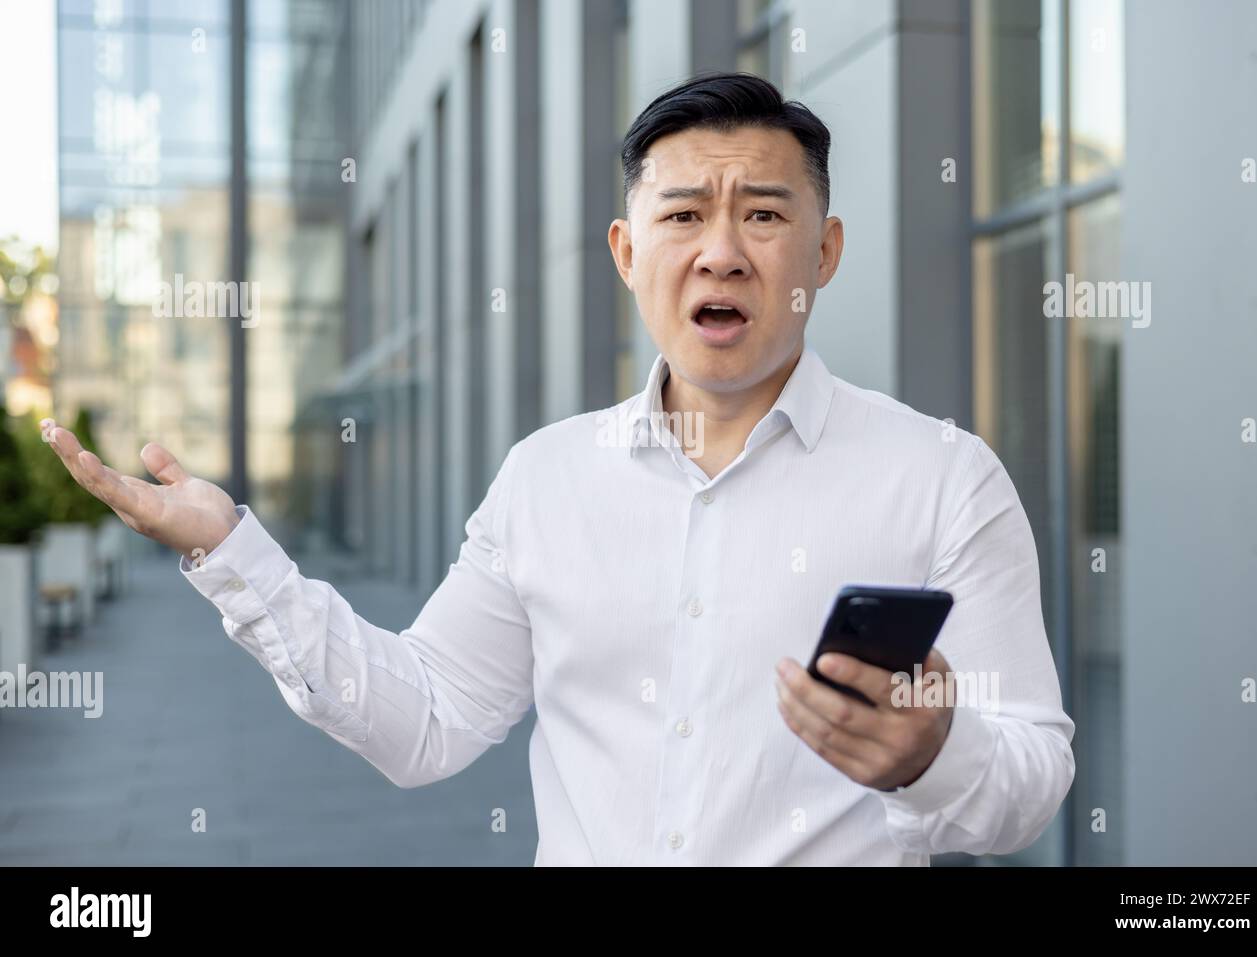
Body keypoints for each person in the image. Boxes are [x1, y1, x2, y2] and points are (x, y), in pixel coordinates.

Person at [39, 71, 1074, 866]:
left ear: (826, 250)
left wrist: (935, 755)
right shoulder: (546, 479)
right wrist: (233, 553)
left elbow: (1032, 777)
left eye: (762, 213)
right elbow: (426, 722)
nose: (720, 252)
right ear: (627, 254)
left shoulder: (940, 476)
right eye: (681, 216)